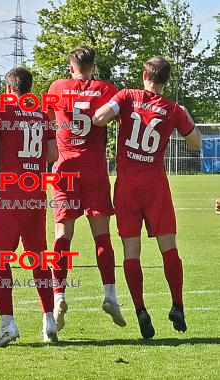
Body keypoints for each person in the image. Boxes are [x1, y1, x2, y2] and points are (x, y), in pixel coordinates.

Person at [93, 56, 202, 339]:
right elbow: (196, 142)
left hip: (128, 186)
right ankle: (177, 304)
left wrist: (119, 113)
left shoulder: (128, 96)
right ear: (167, 80)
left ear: (144, 75)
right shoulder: (174, 109)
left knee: (132, 251)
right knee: (169, 247)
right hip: (156, 186)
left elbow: (99, 118)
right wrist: (185, 116)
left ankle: (141, 310)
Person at [0, 67, 59, 346]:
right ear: (29, 88)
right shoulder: (43, 114)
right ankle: (49, 321)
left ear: (8, 88)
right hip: (34, 196)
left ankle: (7, 324)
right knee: (38, 257)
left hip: (7, 196)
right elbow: (54, 154)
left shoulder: (1, 110)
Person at [46, 46, 126, 331]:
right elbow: (119, 118)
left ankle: (58, 296)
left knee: (62, 234)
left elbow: (44, 121)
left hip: (64, 168)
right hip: (94, 169)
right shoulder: (106, 88)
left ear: (71, 67)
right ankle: (110, 296)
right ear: (93, 66)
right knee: (102, 236)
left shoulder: (57, 87)